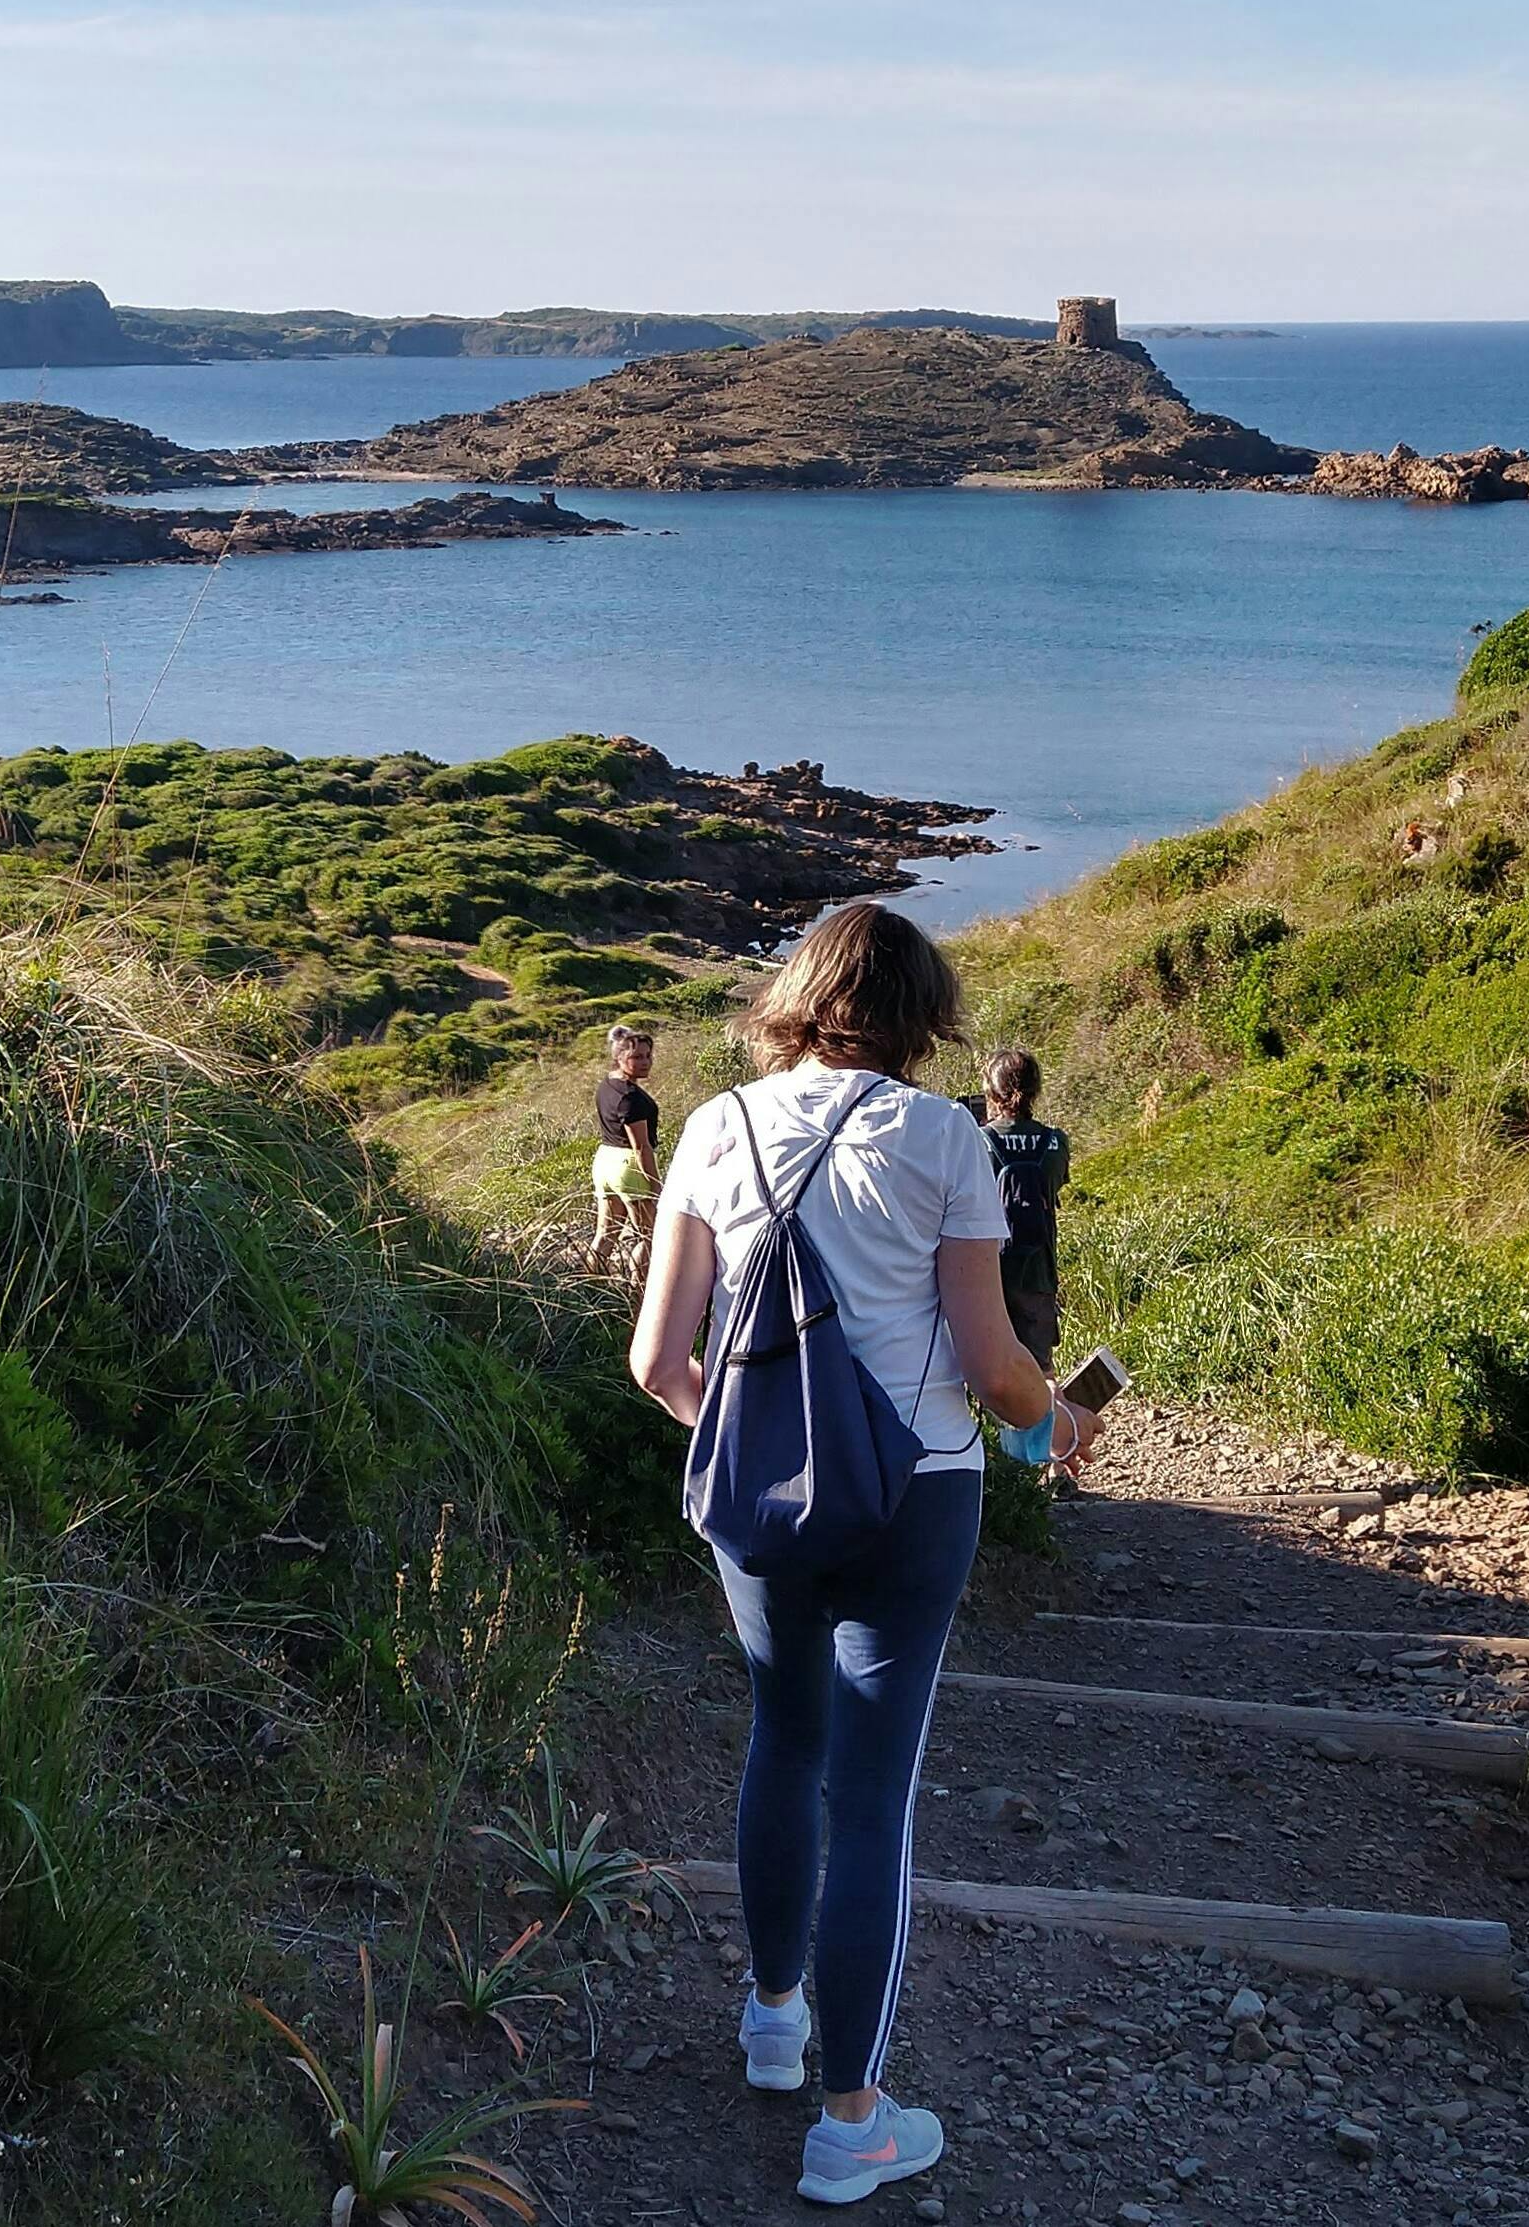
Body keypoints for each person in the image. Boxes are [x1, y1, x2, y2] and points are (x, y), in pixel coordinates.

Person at [629, 902, 1107, 2208]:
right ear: (916, 1014)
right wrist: (1050, 1418)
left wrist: (763, 1445)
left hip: (755, 1504)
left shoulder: (713, 1127)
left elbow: (656, 1362)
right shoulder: (943, 1134)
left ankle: (772, 2018)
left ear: (796, 997)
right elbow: (989, 1358)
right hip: (915, 1499)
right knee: (873, 1793)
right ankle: (851, 2123)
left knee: (779, 1741)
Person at [976, 1048, 1076, 1473]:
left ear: (990, 1090)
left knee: (989, 1367)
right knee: (1042, 1369)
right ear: (1036, 1089)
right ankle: (1056, 1462)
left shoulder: (981, 1140)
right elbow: (1054, 1188)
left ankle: (1001, 1467)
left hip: (987, 1273)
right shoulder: (1055, 1142)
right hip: (1039, 1271)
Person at [590, 1022, 663, 1280]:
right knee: (647, 1234)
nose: (645, 1062)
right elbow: (641, 1146)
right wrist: (655, 1185)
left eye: (647, 1056)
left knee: (606, 1232)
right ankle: (637, 1292)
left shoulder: (608, 1084)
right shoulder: (632, 1099)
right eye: (636, 1057)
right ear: (619, 1058)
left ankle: (590, 1284)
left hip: (604, 1161)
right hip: (629, 1166)